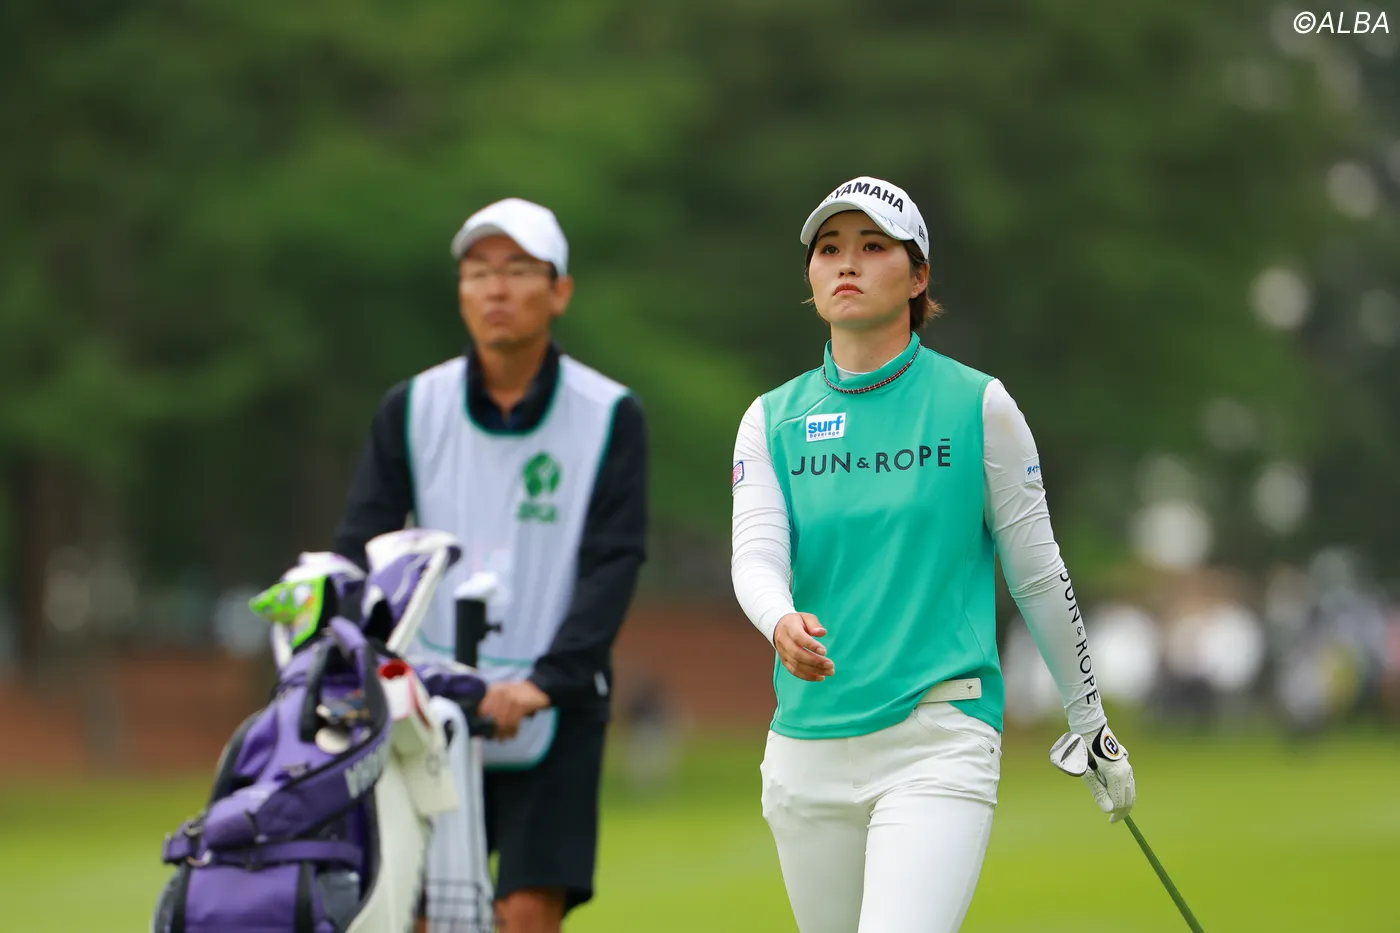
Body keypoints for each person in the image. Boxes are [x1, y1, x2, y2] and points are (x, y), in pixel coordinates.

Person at [729, 176, 1136, 933]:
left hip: (939, 737)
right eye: (829, 249)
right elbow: (755, 556)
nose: (847, 263)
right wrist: (779, 619)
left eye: (872, 246)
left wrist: (1090, 720)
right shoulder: (771, 418)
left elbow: (1038, 572)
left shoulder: (978, 405)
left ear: (918, 277)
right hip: (806, 749)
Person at [332, 196, 649, 933]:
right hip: (430, 702)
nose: (495, 289)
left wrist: (544, 682)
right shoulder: (412, 407)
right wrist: (362, 664)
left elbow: (613, 560)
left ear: (559, 291)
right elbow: (361, 548)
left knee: (526, 913)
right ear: (461, 293)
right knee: (419, 914)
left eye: (517, 270)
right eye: (478, 272)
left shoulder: (609, 413)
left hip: (556, 699)